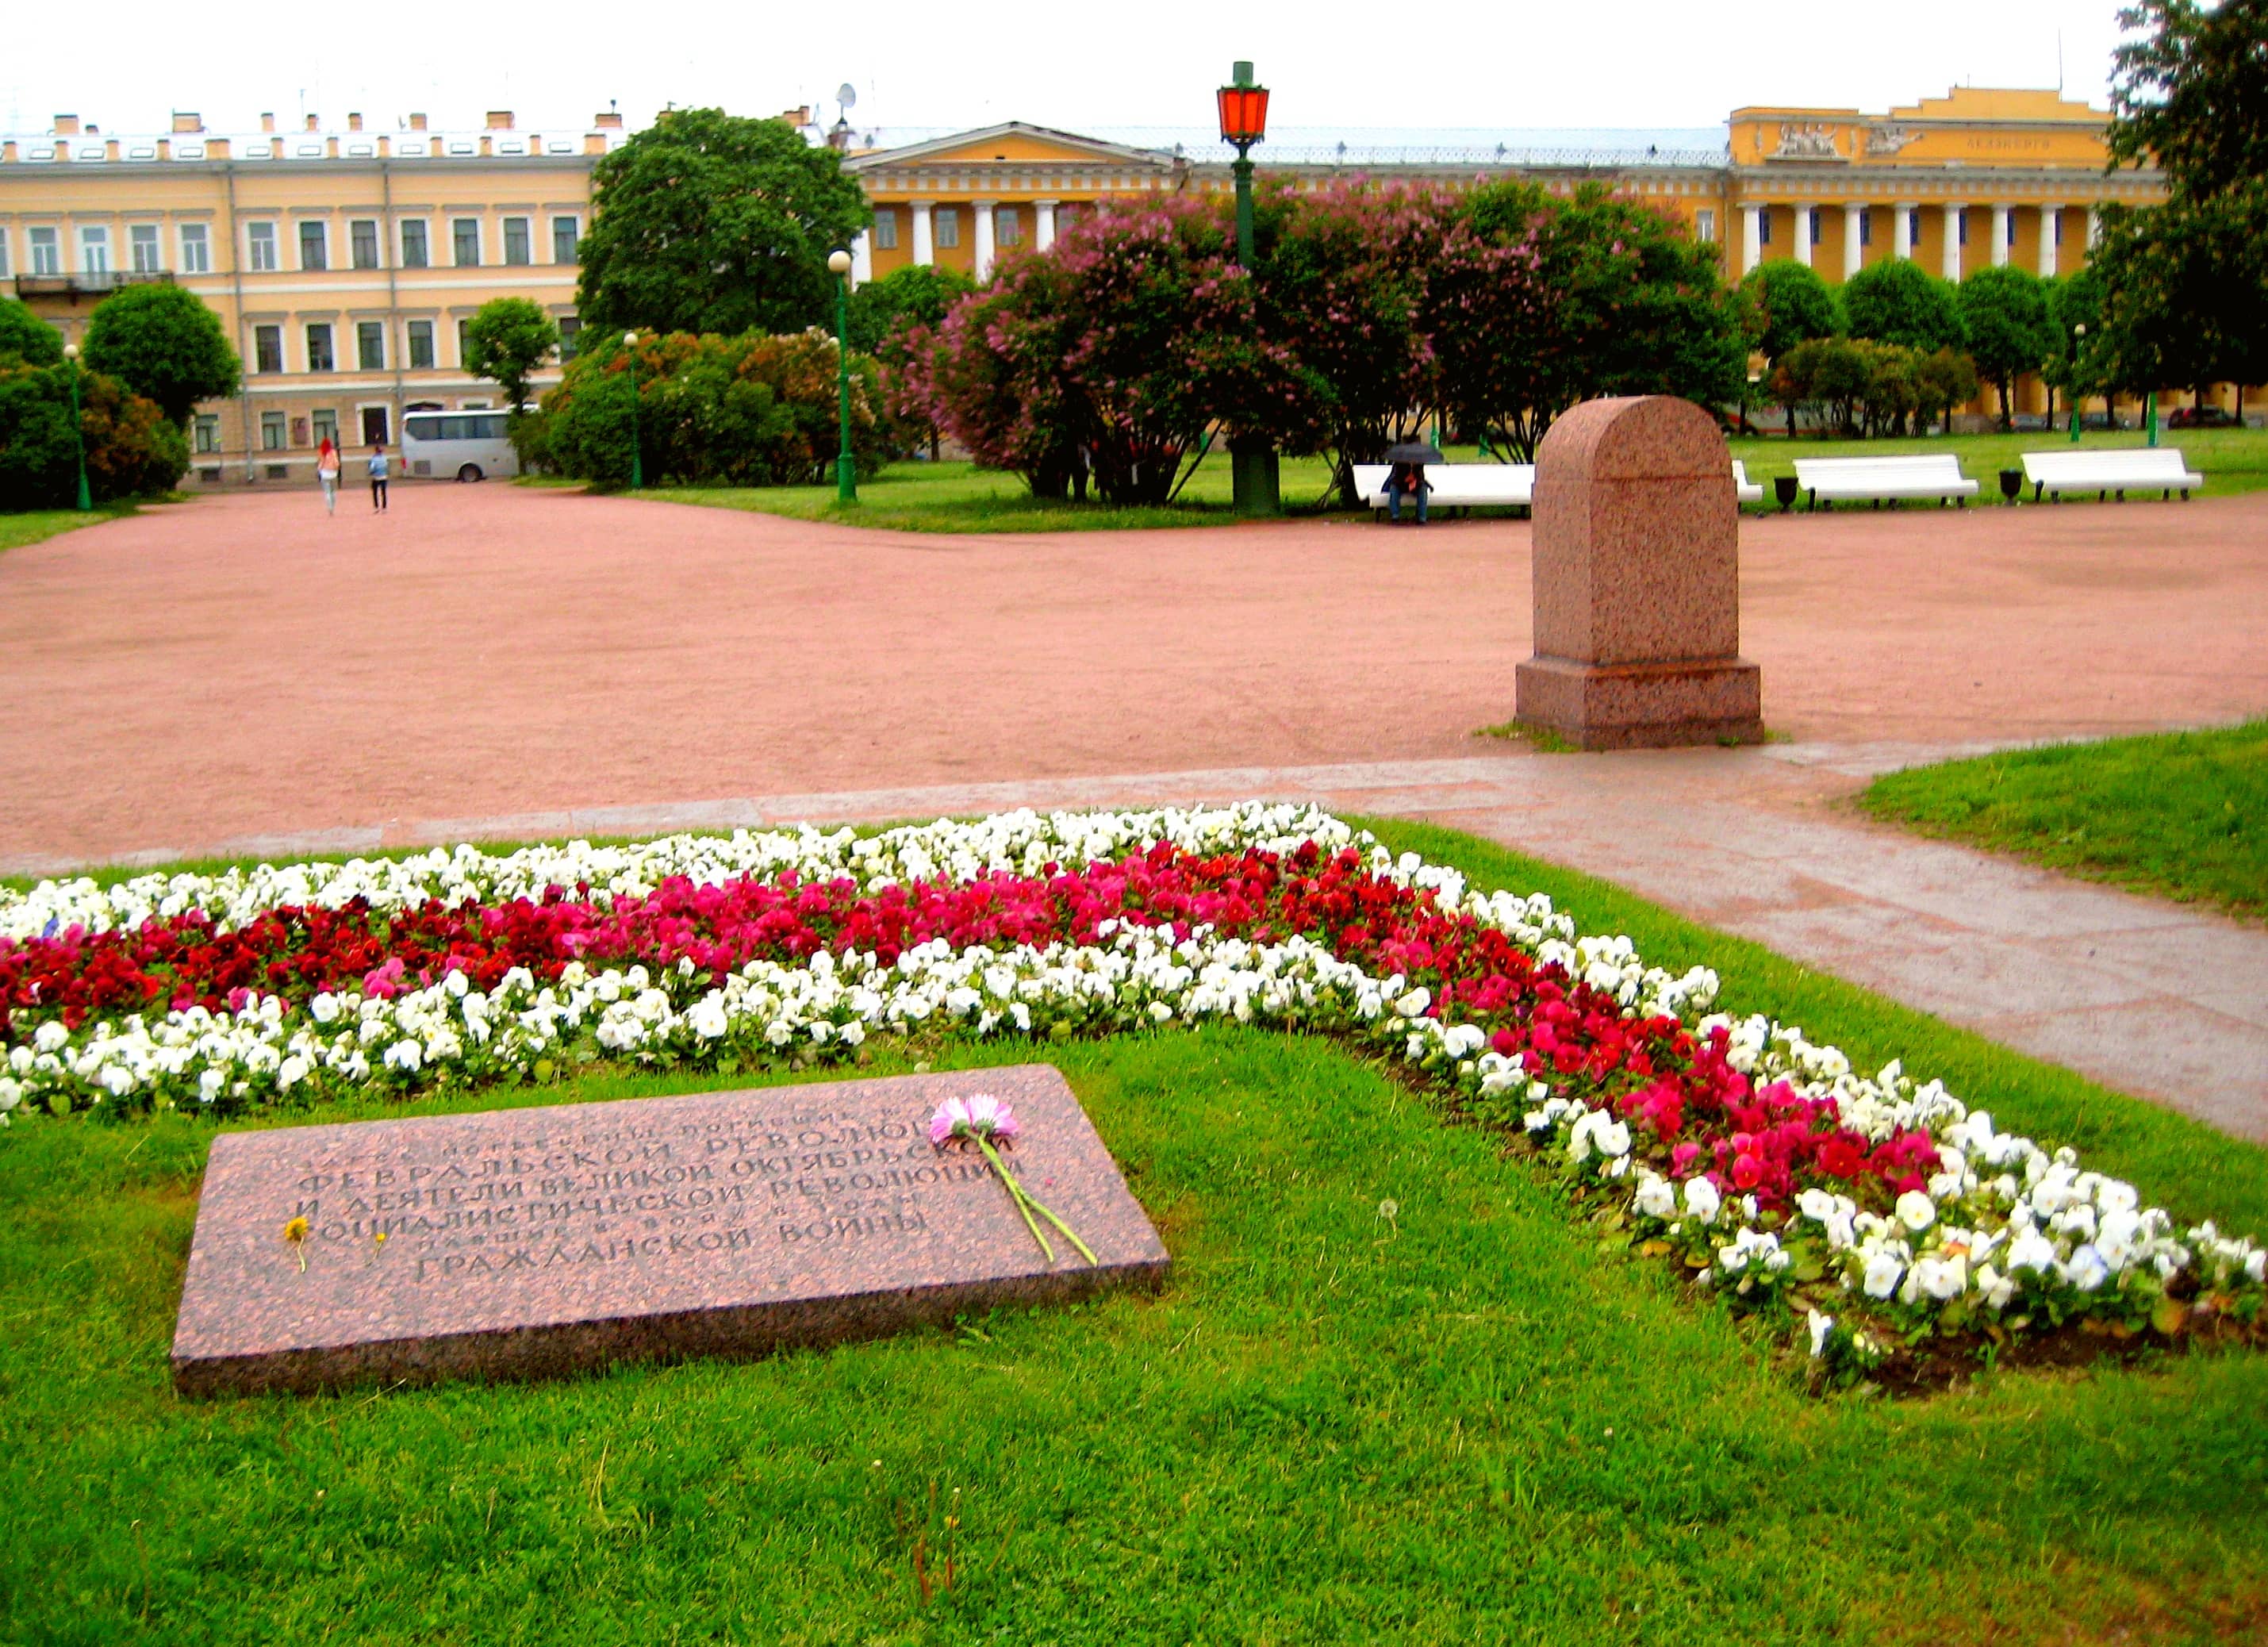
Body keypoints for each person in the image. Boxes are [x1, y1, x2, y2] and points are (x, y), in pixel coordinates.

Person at [1385, 459, 1428, 524]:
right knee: (1394, 489)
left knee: (1423, 489)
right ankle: (1395, 516)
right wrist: (1405, 480)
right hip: (1401, 484)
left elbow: (1421, 477)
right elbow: (1396, 478)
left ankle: (1422, 518)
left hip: (1415, 485)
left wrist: (1415, 482)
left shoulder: (1420, 463)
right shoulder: (1399, 463)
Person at [315, 436, 340, 515]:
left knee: (327, 492)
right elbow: (336, 462)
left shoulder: (320, 452)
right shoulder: (333, 452)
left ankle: (330, 508)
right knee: (333, 492)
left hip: (324, 473)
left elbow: (320, 463)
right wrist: (336, 468)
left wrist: (319, 470)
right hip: (333, 473)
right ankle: (333, 506)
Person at [367, 440, 390, 512]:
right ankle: (384, 507)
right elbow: (386, 466)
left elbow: (372, 468)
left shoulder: (373, 459)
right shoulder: (384, 458)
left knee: (375, 493)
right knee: (384, 492)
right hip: (384, 477)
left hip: (376, 477)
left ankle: (376, 507)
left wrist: (370, 473)